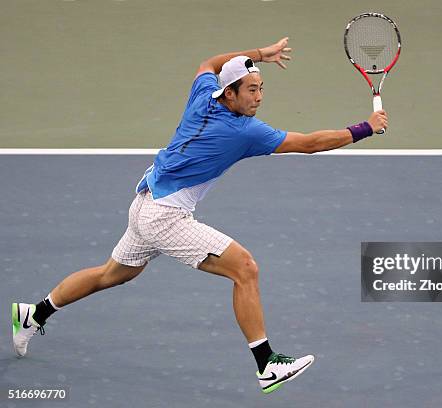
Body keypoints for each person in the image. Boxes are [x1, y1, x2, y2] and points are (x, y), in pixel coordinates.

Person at [12, 37, 388, 394]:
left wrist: (260, 53)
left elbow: (209, 62)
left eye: (261, 89)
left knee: (112, 275)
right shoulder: (244, 132)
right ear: (230, 93)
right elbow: (308, 144)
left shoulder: (202, 96)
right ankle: (267, 363)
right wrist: (365, 128)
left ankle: (33, 314)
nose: (258, 97)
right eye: (251, 90)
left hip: (145, 200)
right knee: (245, 268)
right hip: (164, 216)